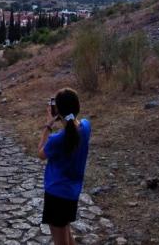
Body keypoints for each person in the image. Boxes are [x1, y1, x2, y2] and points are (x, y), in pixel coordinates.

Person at [38, 88, 91, 245]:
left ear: (57, 111)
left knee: (61, 241)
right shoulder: (86, 128)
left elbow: (40, 153)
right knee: (67, 235)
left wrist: (48, 125)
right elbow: (75, 124)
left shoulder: (57, 140)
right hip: (72, 193)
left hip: (56, 194)